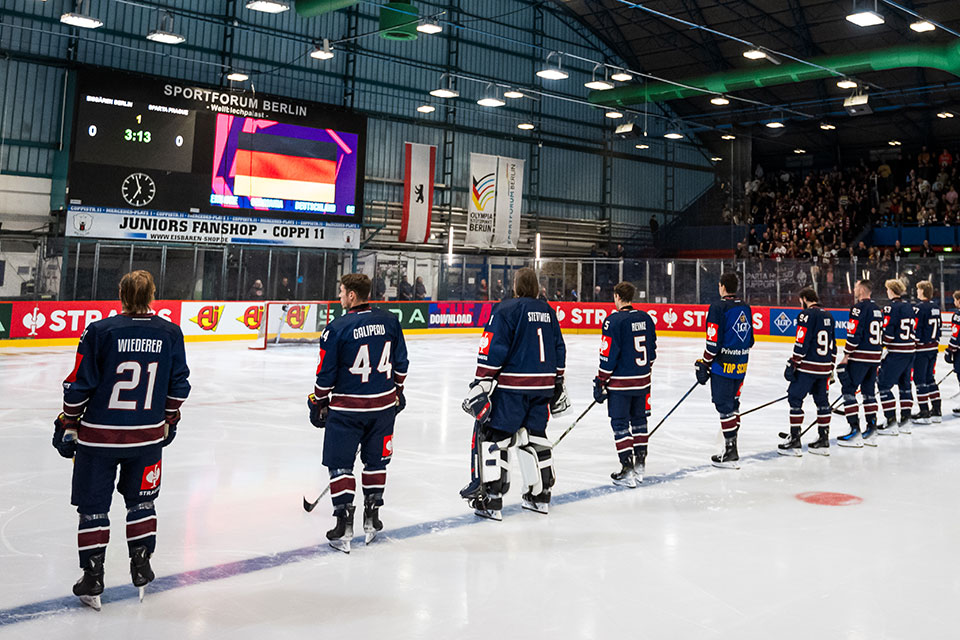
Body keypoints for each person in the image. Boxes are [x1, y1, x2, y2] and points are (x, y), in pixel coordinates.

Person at [55, 270, 190, 610]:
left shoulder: (100, 331)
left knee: (93, 509)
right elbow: (179, 385)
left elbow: (79, 385)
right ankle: (141, 562)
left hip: (99, 439)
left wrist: (68, 420)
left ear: (122, 295)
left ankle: (93, 575)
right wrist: (168, 418)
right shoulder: (170, 332)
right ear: (152, 295)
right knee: (142, 503)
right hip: (146, 439)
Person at [307, 273, 409, 553]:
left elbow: (325, 376)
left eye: (341, 292)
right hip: (383, 408)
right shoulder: (390, 320)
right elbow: (402, 364)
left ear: (352, 295)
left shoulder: (336, 328)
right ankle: (372, 518)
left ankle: (343, 522)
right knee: (376, 462)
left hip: (347, 410)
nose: (339, 296)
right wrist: (397, 390)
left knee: (340, 464)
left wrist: (318, 400)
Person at [460, 267, 566, 519]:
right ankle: (540, 496)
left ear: (516, 286)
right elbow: (559, 347)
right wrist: (558, 380)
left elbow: (493, 347)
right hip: (543, 387)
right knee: (536, 436)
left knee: (494, 436)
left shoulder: (506, 309)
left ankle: (492, 499)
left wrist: (482, 380)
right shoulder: (548, 312)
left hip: (512, 389)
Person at [593, 281, 657, 487]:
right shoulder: (646, 318)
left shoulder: (613, 321)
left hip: (620, 385)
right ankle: (640, 467)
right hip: (642, 382)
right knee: (639, 422)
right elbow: (652, 353)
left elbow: (608, 355)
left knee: (620, 424)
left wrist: (601, 380)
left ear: (617, 297)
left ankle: (627, 469)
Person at [694, 273, 754, 469]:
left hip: (722, 367)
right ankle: (731, 446)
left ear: (721, 287)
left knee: (724, 406)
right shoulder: (745, 307)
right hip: (741, 365)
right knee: (733, 404)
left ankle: (730, 451)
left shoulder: (718, 307)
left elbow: (713, 343)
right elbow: (750, 340)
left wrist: (704, 363)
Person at [779, 288, 836, 456]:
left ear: (804, 299)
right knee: (822, 402)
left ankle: (795, 440)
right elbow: (833, 345)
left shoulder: (806, 315)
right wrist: (831, 367)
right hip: (824, 367)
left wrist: (793, 363)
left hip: (808, 368)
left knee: (795, 398)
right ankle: (823, 439)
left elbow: (801, 341)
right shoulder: (829, 315)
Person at [836, 279, 884, 447]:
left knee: (849, 390)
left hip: (860, 357)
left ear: (862, 290)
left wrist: (846, 354)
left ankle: (854, 430)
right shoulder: (878, 309)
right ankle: (872, 430)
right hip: (874, 357)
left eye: (856, 287)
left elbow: (854, 333)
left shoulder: (858, 308)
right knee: (868, 392)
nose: (854, 290)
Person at [876, 279, 916, 435]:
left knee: (884, 385)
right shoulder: (909, 306)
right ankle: (906, 421)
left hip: (897, 352)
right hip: (910, 351)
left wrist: (881, 347)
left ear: (891, 291)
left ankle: (891, 420)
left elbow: (889, 332)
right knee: (905, 386)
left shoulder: (890, 307)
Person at [911, 281, 942, 424]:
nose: (917, 292)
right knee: (930, 378)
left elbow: (916, 329)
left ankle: (924, 411)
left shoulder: (918, 308)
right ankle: (936, 410)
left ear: (922, 291)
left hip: (922, 349)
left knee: (919, 380)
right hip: (933, 348)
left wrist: (913, 343)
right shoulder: (936, 307)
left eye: (918, 289)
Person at [945, 291, 960, 416]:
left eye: (955, 300)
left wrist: (949, 350)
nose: (954, 302)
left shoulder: (958, 315)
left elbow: (956, 335)